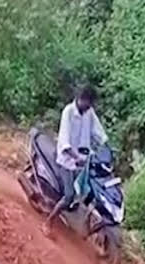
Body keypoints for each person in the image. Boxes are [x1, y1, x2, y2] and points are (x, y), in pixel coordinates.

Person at [43, 85, 108, 237]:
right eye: (88, 103)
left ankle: (80, 220)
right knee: (69, 196)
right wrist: (75, 157)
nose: (89, 107)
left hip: (84, 160)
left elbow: (99, 133)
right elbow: (65, 141)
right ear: (81, 99)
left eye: (91, 104)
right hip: (67, 160)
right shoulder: (68, 112)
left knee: (90, 190)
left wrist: (106, 147)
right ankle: (48, 222)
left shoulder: (89, 112)